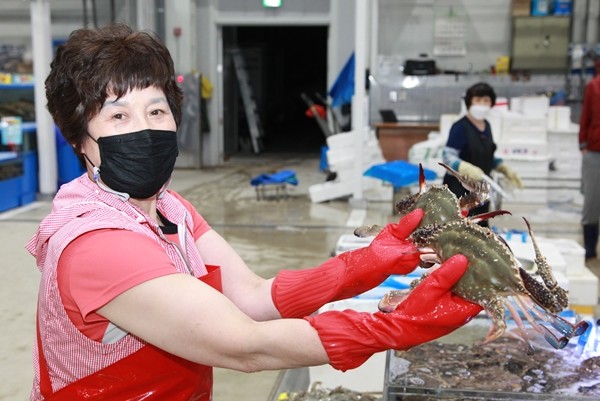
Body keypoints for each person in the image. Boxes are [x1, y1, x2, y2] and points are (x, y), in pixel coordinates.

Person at [27, 24, 482, 400]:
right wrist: (388, 327)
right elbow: (243, 344)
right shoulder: (95, 242)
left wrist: (362, 265)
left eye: (157, 110)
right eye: (118, 117)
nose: (145, 129)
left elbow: (251, 297)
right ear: (78, 139)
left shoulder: (169, 209)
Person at [442, 82, 523, 220]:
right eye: (478, 100)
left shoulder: (487, 126)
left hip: (481, 190)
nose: (482, 104)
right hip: (460, 190)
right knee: (461, 229)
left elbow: (486, 153)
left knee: (481, 227)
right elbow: (447, 156)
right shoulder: (460, 127)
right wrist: (463, 167)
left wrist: (501, 167)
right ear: (469, 102)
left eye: (486, 100)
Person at [578, 72, 600, 260]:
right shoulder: (594, 86)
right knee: (592, 202)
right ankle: (590, 249)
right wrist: (583, 144)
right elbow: (586, 114)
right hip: (595, 150)